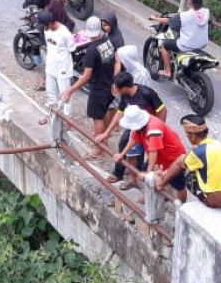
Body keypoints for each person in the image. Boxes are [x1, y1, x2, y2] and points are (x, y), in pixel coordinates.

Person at [62, 16, 118, 158]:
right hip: (109, 84)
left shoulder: (92, 50)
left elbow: (86, 76)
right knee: (104, 113)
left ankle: (99, 149)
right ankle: (103, 141)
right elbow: (116, 60)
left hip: (99, 88)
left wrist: (71, 89)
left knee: (97, 118)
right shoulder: (108, 41)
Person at [104, 71, 166, 189]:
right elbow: (120, 112)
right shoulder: (125, 95)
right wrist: (107, 132)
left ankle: (145, 180)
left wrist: (159, 128)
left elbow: (162, 110)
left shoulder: (147, 93)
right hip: (135, 126)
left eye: (117, 87)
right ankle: (123, 174)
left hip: (150, 127)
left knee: (150, 154)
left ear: (124, 87)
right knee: (124, 144)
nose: (115, 89)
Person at [157, 115, 221, 208]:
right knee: (189, 160)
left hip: (214, 200)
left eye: (187, 133)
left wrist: (164, 179)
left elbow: (180, 163)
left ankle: (162, 183)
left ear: (192, 136)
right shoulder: (216, 143)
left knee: (182, 163)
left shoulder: (198, 153)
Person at [117, 106, 189, 199]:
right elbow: (134, 139)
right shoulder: (140, 126)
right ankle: (153, 195)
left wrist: (148, 173)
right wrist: (122, 154)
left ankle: (181, 207)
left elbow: (153, 152)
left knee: (178, 184)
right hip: (160, 156)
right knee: (152, 175)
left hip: (173, 158)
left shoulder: (153, 129)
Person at [150, 0, 209, 80]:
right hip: (201, 43)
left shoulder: (185, 16)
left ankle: (168, 71)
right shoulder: (206, 12)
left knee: (164, 45)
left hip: (187, 45)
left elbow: (168, 21)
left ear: (190, 0)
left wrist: (155, 18)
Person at [38, 10, 73, 125]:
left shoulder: (65, 33)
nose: (44, 28)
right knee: (51, 94)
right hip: (50, 67)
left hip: (63, 69)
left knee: (65, 96)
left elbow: (72, 49)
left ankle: (67, 121)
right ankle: (50, 115)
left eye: (45, 26)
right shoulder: (46, 29)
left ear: (51, 23)